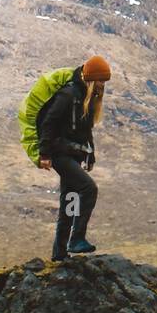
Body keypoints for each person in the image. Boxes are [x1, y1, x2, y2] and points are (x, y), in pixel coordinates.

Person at [34, 55, 111, 261]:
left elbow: (86, 130)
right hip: (60, 154)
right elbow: (48, 123)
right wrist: (44, 154)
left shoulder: (86, 97)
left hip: (74, 155)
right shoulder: (68, 94)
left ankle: (59, 254)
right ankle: (76, 239)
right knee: (89, 188)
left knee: (71, 200)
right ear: (92, 78)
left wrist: (90, 154)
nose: (103, 85)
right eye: (101, 81)